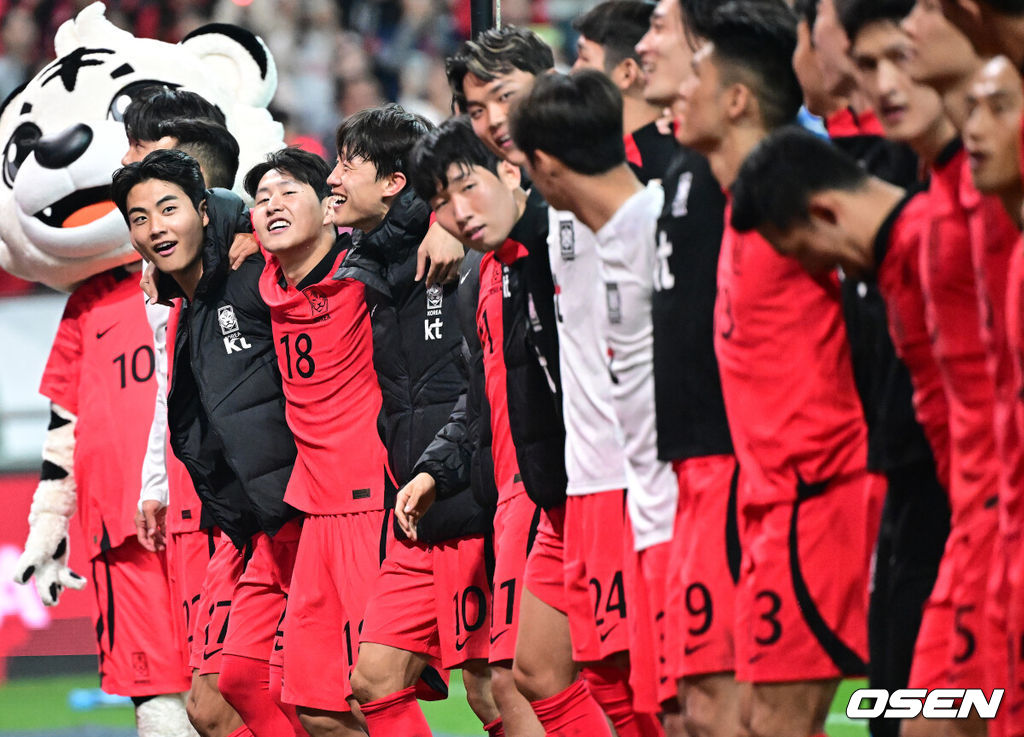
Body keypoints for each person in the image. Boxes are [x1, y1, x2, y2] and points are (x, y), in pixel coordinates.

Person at [674, 3, 885, 736]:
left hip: (819, 500)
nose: (678, 87)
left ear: (735, 98)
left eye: (695, 73)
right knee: (744, 718)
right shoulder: (731, 203)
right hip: (766, 507)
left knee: (778, 722)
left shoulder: (794, 186)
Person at [410, 114, 616, 737]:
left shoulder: (561, 242)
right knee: (517, 679)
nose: (458, 213)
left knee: (551, 677)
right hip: (514, 489)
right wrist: (438, 467)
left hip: (569, 485)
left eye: (464, 189)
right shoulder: (489, 271)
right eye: (440, 204)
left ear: (509, 164)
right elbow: (482, 391)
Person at [113, 147, 306, 737]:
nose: (155, 228)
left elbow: (330, 244)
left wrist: (251, 227)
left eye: (168, 209)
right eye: (139, 218)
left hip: (302, 516)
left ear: (202, 209)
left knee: (333, 695)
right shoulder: (183, 306)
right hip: (248, 526)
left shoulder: (255, 271)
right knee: (213, 705)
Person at [322, 104, 499, 737]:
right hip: (417, 511)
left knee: (495, 691)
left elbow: (480, 384)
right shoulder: (370, 263)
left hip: (475, 499)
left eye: (348, 164)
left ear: (396, 182)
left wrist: (448, 222)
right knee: (373, 682)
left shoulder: (464, 246)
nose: (333, 179)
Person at [246, 146, 391, 737]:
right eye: (262, 199)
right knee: (313, 708)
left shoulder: (368, 273)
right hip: (314, 509)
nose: (272, 206)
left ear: (331, 207)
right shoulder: (264, 279)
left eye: (287, 192)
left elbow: (409, 216)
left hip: (371, 502)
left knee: (373, 695)